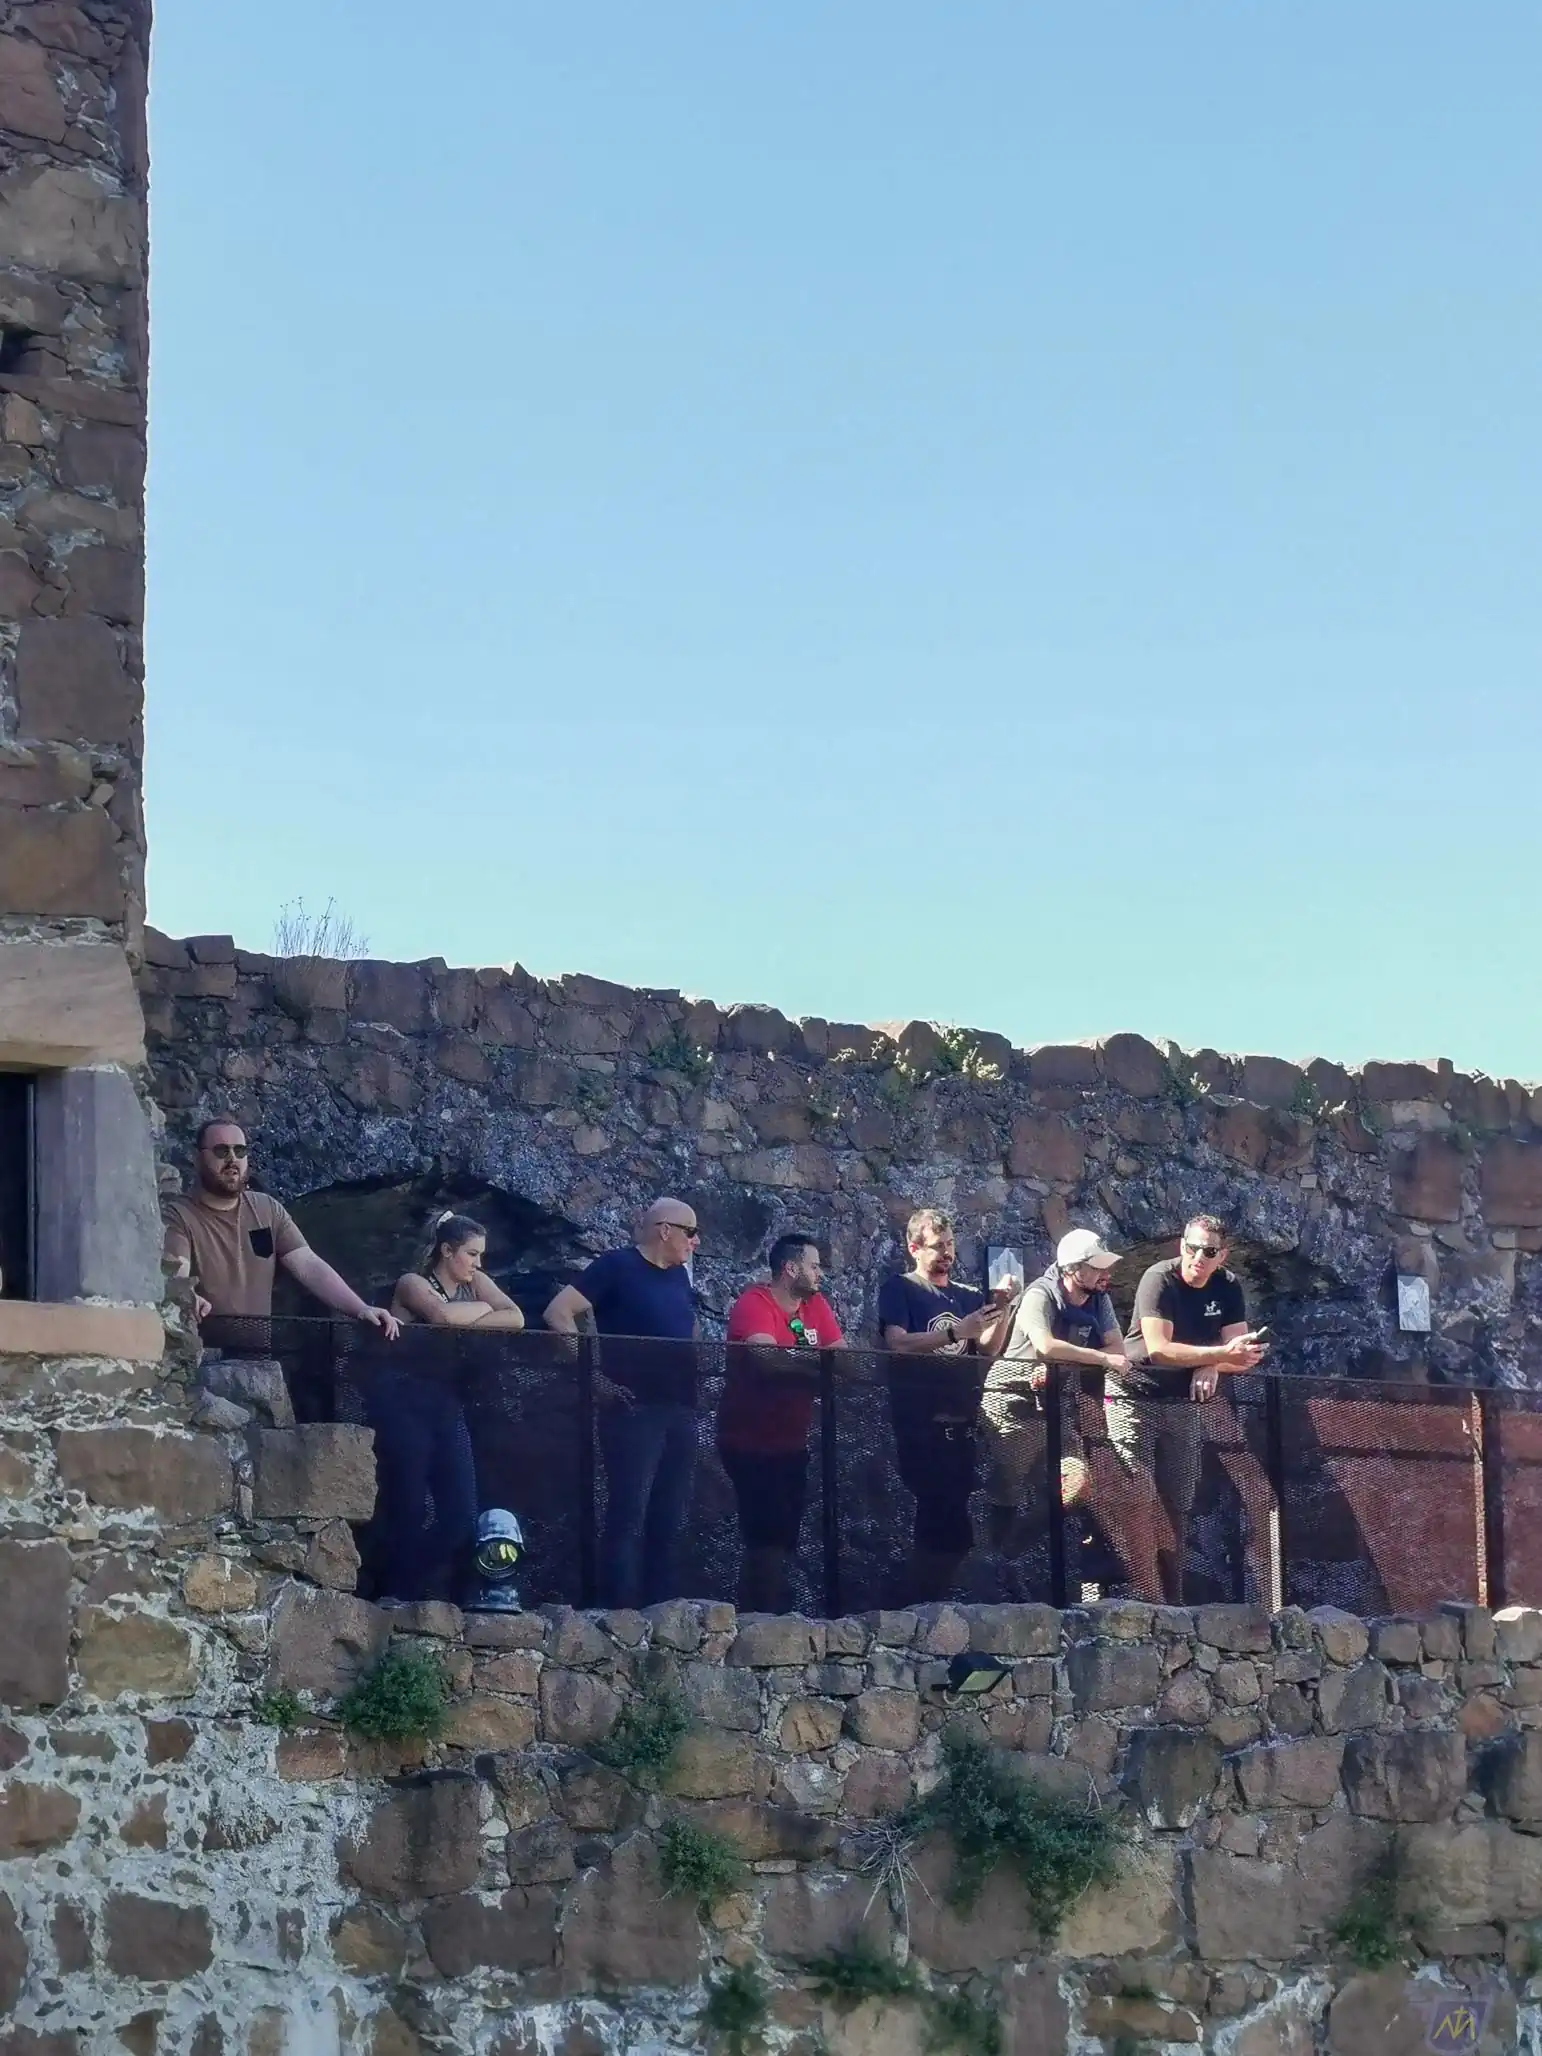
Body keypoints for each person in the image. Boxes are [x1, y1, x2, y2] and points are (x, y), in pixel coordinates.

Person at [542, 1197, 702, 1609]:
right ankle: (619, 1613)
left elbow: (688, 1327)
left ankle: (662, 1613)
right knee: (629, 1514)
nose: (695, 1241)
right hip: (633, 1409)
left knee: (669, 1518)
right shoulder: (616, 1266)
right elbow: (558, 1313)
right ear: (664, 1230)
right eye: (690, 1232)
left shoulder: (680, 1276)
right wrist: (593, 1377)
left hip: (680, 1406)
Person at [1107, 1214, 1269, 1602]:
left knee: (1177, 1502)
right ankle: (1129, 1589)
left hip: (1183, 1403)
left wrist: (1213, 1364)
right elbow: (1160, 1349)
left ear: (1222, 1256)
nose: (1198, 1257)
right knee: (1135, 1494)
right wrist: (1218, 1356)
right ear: (1181, 1246)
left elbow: (1241, 1354)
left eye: (1208, 1251)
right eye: (1192, 1248)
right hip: (1135, 1394)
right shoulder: (1158, 1279)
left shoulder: (1228, 1286)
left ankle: (1169, 1597)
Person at [366, 1211, 525, 1604]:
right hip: (402, 1398)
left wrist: (471, 1313)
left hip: (445, 1400)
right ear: (447, 1251)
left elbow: (516, 1317)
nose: (478, 1263)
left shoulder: (475, 1283)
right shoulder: (413, 1282)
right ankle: (392, 1593)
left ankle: (408, 1580)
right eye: (471, 1254)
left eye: (480, 1255)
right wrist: (483, 1310)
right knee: (408, 1503)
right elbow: (440, 1316)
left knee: (461, 1514)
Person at [981, 1228, 1128, 1593]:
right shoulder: (1040, 1294)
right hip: (1013, 1401)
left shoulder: (1099, 1300)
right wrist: (1098, 1359)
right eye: (1096, 1267)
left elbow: (1118, 1347)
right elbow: (1045, 1346)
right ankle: (990, 1565)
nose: (1104, 1274)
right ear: (1072, 1268)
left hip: (1056, 1401)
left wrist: (1080, 1361)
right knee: (1007, 1489)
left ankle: (1010, 1550)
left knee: (1077, 1484)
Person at [877, 1208, 1012, 1603]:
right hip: (921, 1422)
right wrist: (956, 1332)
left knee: (954, 1527)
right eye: (938, 1247)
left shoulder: (966, 1295)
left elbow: (987, 1349)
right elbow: (898, 1343)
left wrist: (1002, 1310)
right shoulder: (901, 1289)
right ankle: (918, 1602)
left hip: (962, 1424)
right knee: (941, 1519)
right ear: (914, 1248)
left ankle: (926, 1601)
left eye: (950, 1245)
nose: (947, 1254)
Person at [162, 1118, 399, 1337]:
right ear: (197, 1158)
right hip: (205, 1356)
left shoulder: (267, 1209)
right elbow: (176, 1273)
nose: (232, 1159)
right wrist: (188, 1297)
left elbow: (308, 1265)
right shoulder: (178, 1215)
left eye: (240, 1151)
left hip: (259, 1356)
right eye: (221, 1151)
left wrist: (361, 1308)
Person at [716, 1233, 845, 1612]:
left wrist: (800, 1362)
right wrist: (818, 1364)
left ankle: (768, 1612)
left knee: (784, 1535)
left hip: (792, 1442)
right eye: (813, 1266)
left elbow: (845, 1359)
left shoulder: (815, 1305)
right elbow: (766, 1359)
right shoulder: (754, 1303)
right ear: (790, 1268)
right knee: (766, 1535)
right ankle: (758, 1616)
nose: (820, 1274)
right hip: (749, 1441)